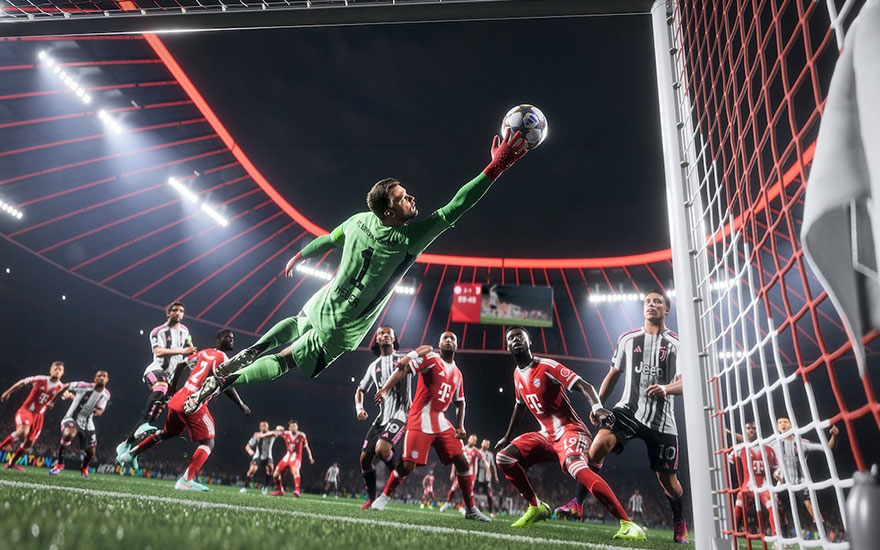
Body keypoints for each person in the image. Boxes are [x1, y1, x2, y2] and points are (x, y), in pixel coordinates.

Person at [183, 131, 528, 414]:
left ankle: (255, 348)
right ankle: (226, 381)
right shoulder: (408, 239)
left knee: (298, 322)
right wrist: (494, 168)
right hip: (344, 325)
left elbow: (327, 240)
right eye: (402, 198)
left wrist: (299, 256)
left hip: (326, 299)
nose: (410, 197)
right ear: (389, 213)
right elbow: (458, 205)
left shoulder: (358, 220)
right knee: (286, 361)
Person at [557, 289, 688, 544]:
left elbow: (686, 382)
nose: (651, 304)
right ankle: (577, 503)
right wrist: (598, 404)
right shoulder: (628, 339)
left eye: (657, 301)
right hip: (628, 409)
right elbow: (613, 374)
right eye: (648, 301)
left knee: (668, 481)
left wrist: (665, 388)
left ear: (666, 310)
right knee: (597, 447)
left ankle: (679, 521)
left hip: (662, 420)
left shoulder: (676, 344)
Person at [494, 326, 644, 540]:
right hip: (545, 435)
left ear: (529, 343)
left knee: (575, 467)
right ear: (507, 347)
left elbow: (584, 385)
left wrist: (597, 408)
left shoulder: (547, 366)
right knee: (504, 457)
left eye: (520, 336)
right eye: (511, 338)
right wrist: (507, 437)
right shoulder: (517, 374)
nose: (516, 339)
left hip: (570, 431)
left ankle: (628, 523)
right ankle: (536, 507)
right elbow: (520, 406)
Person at [370, 331, 490, 522]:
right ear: (439, 345)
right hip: (420, 418)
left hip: (441, 421)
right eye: (445, 338)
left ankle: (470, 509)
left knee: (463, 462)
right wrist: (385, 388)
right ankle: (384, 497)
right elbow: (404, 369)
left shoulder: (458, 374)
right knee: (407, 466)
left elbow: (460, 402)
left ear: (456, 346)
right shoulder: (431, 358)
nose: (448, 341)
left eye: (452, 339)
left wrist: (460, 426)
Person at [117, 329, 250, 491]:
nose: (231, 340)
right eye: (227, 337)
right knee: (208, 441)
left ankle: (131, 454)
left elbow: (181, 364)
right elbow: (225, 383)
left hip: (178, 398)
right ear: (218, 339)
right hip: (194, 401)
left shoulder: (205, 352)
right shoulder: (223, 358)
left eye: (232, 338)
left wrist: (173, 387)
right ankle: (186, 480)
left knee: (167, 433)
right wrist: (240, 403)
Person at [117, 302, 196, 457]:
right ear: (168, 313)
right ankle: (142, 427)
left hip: (171, 378)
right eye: (175, 310)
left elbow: (190, 345)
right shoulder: (158, 331)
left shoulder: (185, 330)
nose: (178, 313)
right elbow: (158, 352)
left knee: (153, 415)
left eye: (181, 311)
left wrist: (192, 354)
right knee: (161, 387)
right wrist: (183, 351)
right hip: (156, 370)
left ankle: (126, 445)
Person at [354, 325, 410, 508]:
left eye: (388, 334)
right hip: (381, 418)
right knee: (364, 460)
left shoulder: (404, 359)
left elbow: (423, 360)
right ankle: (371, 499)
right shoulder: (373, 366)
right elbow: (360, 390)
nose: (385, 335)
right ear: (377, 340)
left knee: (381, 450)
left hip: (401, 413)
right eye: (381, 334)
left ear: (394, 339)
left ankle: (398, 471)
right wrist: (359, 409)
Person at [774, 416, 839, 532]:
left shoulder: (802, 443)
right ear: (777, 427)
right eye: (780, 422)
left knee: (810, 505)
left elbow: (828, 447)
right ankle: (783, 527)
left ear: (791, 425)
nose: (782, 424)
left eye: (785, 422)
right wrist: (776, 472)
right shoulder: (774, 444)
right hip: (783, 481)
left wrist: (834, 436)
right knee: (774, 502)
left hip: (801, 482)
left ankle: (823, 531)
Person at [1, 361, 67, 470]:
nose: (57, 371)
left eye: (60, 370)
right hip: (26, 411)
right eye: (55, 368)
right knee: (22, 431)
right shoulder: (40, 379)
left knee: (29, 443)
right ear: (50, 370)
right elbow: (22, 382)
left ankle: (11, 463)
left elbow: (66, 394)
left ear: (63, 373)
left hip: (39, 417)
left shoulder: (61, 387)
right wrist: (7, 392)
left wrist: (71, 396)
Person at [50, 370, 111, 478]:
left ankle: (84, 468)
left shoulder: (106, 395)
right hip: (71, 418)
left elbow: (101, 410)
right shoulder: (83, 386)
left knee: (91, 452)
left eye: (104, 376)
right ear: (95, 379)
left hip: (88, 424)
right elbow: (65, 386)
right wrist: (52, 401)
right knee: (69, 434)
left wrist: (96, 412)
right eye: (99, 376)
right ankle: (60, 464)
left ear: (107, 380)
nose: (101, 378)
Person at [727, 421, 779, 537]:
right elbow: (728, 461)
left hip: (765, 486)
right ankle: (732, 536)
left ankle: (778, 537)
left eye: (754, 428)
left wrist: (777, 473)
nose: (751, 430)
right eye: (748, 428)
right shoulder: (740, 448)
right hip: (747, 486)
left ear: (758, 430)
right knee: (738, 508)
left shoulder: (769, 448)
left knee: (773, 507)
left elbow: (777, 467)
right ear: (745, 431)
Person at [440, 434, 489, 512]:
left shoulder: (476, 451)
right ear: (468, 439)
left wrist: (488, 471)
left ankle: (462, 507)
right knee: (453, 488)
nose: (473, 441)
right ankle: (447, 503)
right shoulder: (462, 449)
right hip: (461, 473)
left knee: (467, 492)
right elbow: (455, 461)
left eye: (475, 440)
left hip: (471, 475)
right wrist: (452, 472)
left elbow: (484, 461)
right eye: (472, 439)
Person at [273, 420, 314, 497]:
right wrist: (278, 428)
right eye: (291, 426)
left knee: (295, 471)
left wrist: (310, 457)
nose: (293, 428)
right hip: (287, 456)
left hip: (296, 457)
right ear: (289, 428)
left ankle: (297, 490)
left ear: (297, 427)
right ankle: (280, 490)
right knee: (275, 475)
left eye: (294, 426)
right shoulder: (286, 433)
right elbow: (275, 432)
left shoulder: (302, 435)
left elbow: (306, 447)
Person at [245, 421, 278, 494]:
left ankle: (265, 487)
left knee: (270, 469)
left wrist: (262, 435)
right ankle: (245, 487)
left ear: (268, 427)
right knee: (252, 470)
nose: (264, 427)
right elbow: (247, 446)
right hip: (258, 456)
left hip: (268, 456)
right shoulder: (256, 436)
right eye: (262, 426)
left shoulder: (272, 435)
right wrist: (249, 451)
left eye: (265, 425)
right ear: (260, 427)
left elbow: (276, 432)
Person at [475, 438, 499, 516]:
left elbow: (493, 466)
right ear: (481, 444)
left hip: (487, 478)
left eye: (487, 444)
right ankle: (468, 508)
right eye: (484, 443)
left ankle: (491, 511)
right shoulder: (477, 452)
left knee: (489, 495)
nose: (485, 445)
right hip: (477, 476)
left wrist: (495, 476)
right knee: (472, 492)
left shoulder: (490, 455)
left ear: (488, 446)